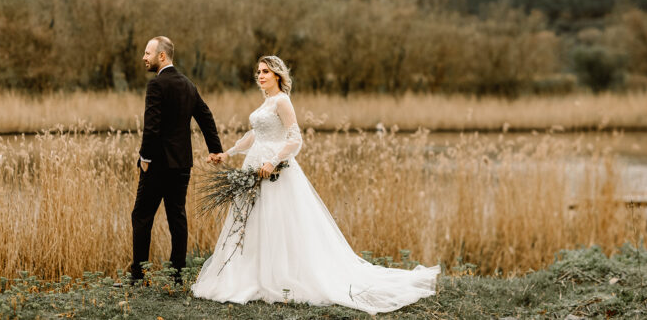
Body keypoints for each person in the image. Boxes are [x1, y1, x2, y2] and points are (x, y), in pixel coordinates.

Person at [191, 55, 439, 314]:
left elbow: (295, 138)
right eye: (258, 72)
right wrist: (228, 153)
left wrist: (274, 161)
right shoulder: (266, 102)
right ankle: (249, 275)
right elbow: (255, 135)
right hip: (254, 168)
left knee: (278, 222)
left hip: (274, 173)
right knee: (251, 221)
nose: (260, 76)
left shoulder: (282, 101)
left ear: (277, 75)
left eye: (265, 71)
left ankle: (281, 277)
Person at [130, 36, 223, 283]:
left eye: (147, 53)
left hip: (157, 164)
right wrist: (214, 148)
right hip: (182, 165)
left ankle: (138, 276)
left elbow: (151, 127)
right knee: (177, 218)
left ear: (162, 56)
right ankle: (178, 275)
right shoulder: (188, 85)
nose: (144, 57)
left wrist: (145, 157)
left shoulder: (156, 85)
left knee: (141, 217)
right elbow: (206, 117)